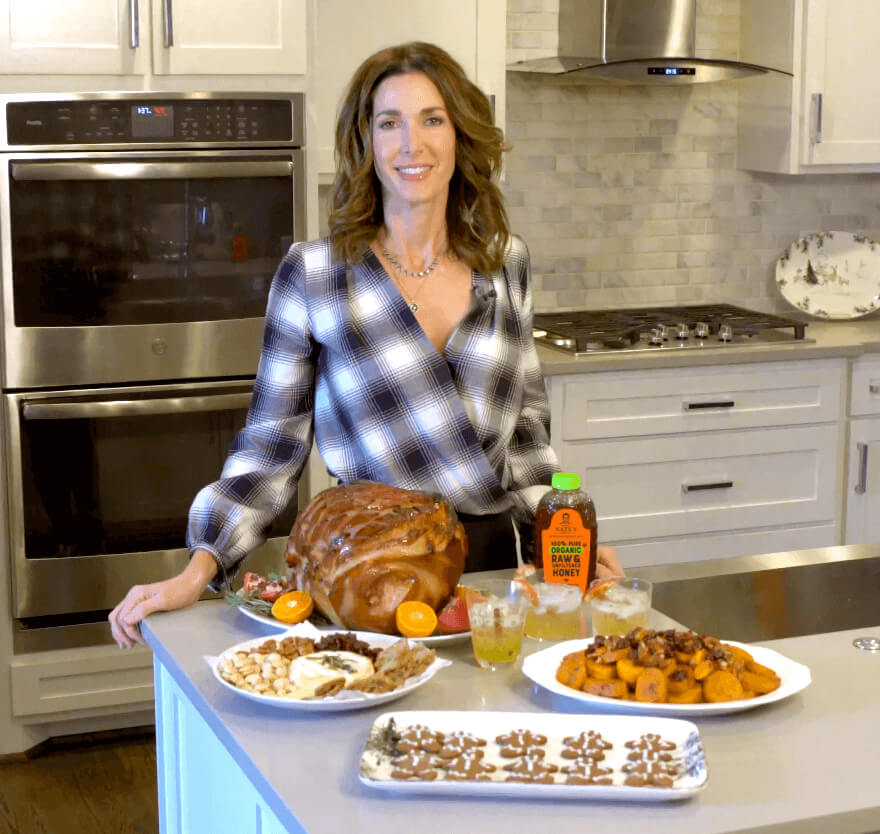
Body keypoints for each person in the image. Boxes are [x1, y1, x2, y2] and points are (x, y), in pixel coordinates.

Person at [109, 41, 623, 648]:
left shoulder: (506, 262)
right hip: (363, 569)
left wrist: (567, 540)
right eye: (389, 123)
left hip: (484, 578)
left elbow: (527, 437)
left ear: (460, 136)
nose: (412, 144)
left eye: (433, 120)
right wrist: (200, 568)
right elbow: (271, 447)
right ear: (366, 143)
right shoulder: (316, 273)